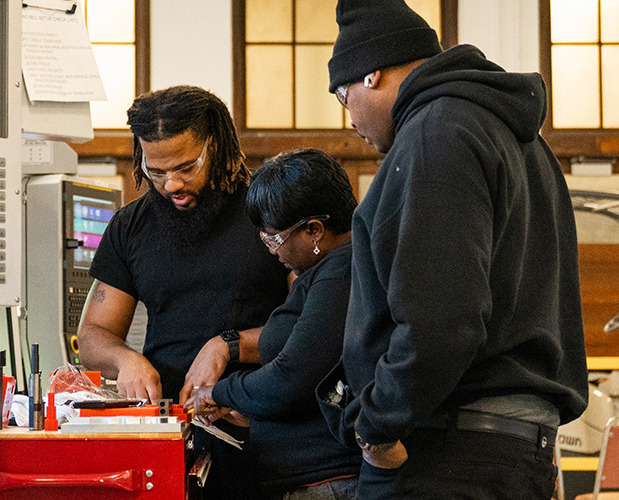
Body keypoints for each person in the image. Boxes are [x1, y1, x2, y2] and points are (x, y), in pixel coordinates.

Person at [320, 0, 588, 498]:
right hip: (510, 446)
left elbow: (442, 317)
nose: (349, 118)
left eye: (343, 95)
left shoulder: (437, 133)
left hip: (453, 448)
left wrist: (377, 425)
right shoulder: (516, 136)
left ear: (371, 73)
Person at [79, 85, 290, 499]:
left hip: (266, 433)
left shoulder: (268, 212)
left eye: (185, 167)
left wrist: (227, 346)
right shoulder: (130, 227)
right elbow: (93, 336)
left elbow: (310, 327)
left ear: (213, 144)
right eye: (155, 172)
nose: (171, 184)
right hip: (174, 436)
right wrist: (127, 362)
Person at [187, 149, 361, 500]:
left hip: (329, 480)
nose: (271, 251)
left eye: (273, 238)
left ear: (314, 230)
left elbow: (293, 376)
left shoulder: (340, 275)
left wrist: (219, 392)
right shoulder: (325, 275)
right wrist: (252, 409)